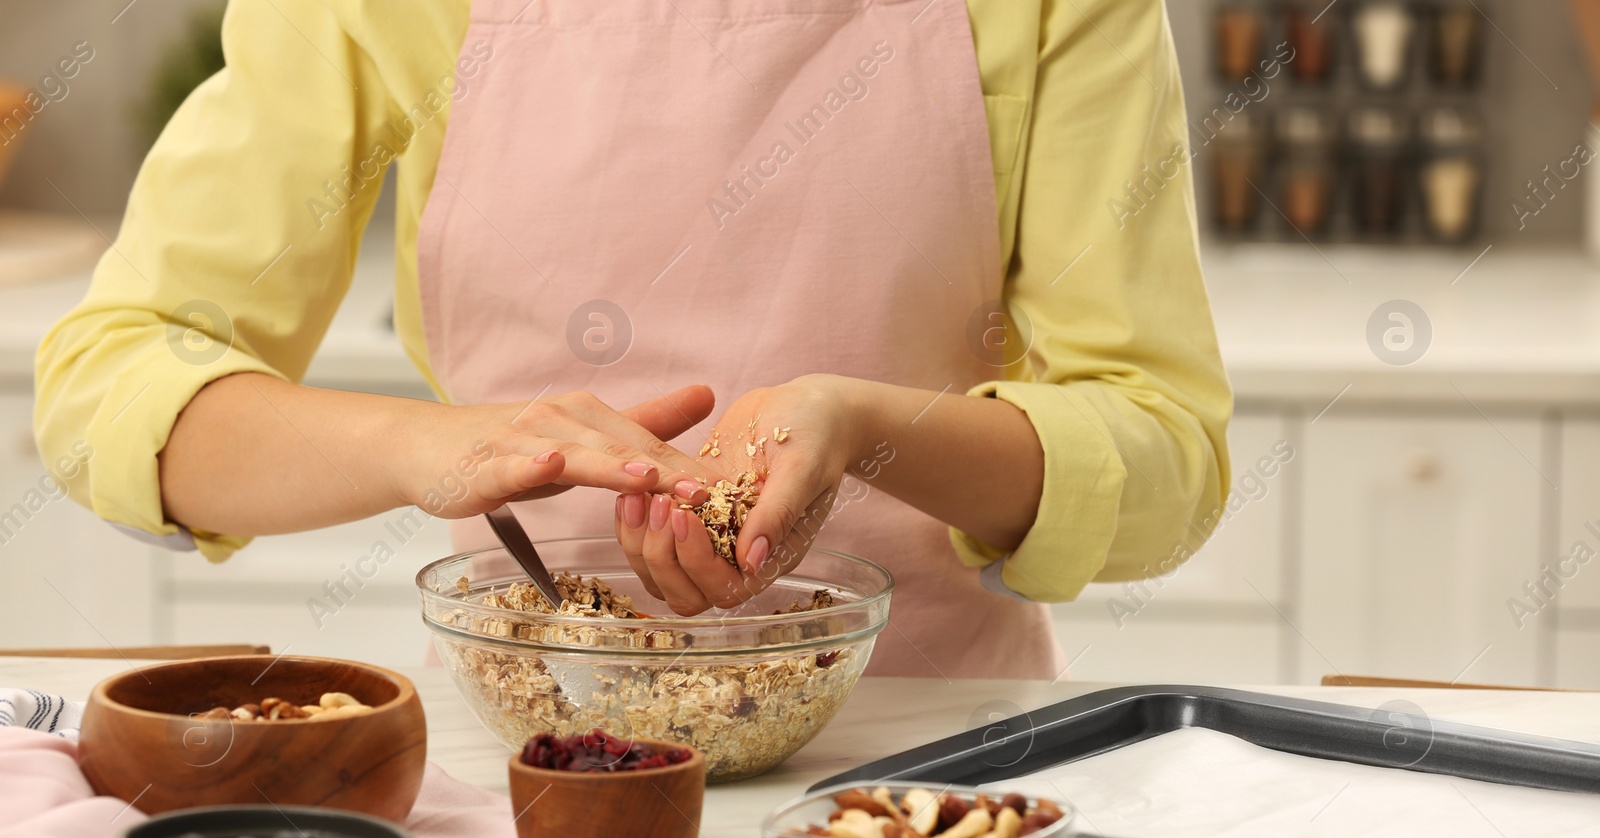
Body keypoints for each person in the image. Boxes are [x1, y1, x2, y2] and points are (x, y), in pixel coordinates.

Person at [33, 0, 1231, 679]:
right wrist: (438, 446)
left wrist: (871, 430)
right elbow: (114, 385)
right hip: (534, 770)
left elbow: (1163, 452)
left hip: (931, 766)